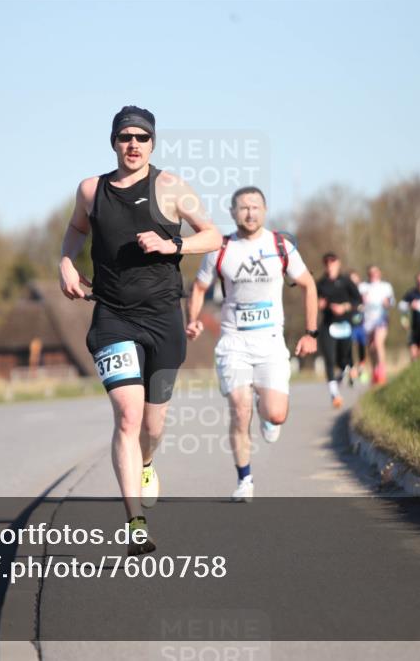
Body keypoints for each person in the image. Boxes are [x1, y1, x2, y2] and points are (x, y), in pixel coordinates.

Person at [59, 106, 221, 554]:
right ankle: (135, 523)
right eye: (125, 136)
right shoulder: (92, 190)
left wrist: (174, 244)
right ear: (113, 141)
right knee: (128, 417)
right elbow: (75, 231)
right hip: (113, 315)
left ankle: (147, 462)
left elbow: (213, 236)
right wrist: (66, 263)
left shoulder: (169, 187)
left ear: (153, 143)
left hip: (163, 315)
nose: (133, 144)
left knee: (153, 422)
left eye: (142, 138)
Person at [186, 186, 318, 502]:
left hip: (271, 342)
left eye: (255, 206)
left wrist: (311, 333)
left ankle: (266, 410)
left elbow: (308, 284)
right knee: (239, 407)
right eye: (243, 207)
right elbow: (199, 287)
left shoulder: (280, 246)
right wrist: (192, 319)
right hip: (233, 341)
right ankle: (244, 479)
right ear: (233, 213)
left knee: (276, 415)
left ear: (265, 210)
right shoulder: (219, 248)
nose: (250, 212)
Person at [316, 253, 363, 407]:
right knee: (329, 359)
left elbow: (358, 301)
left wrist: (344, 307)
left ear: (338, 263)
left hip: (345, 325)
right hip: (328, 325)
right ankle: (334, 394)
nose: (330, 265)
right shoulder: (321, 283)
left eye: (332, 262)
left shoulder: (346, 281)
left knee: (343, 358)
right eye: (327, 263)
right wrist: (319, 305)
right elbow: (314, 302)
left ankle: (346, 369)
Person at [359, 266, 395, 385]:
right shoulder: (363, 286)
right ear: (368, 274)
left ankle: (382, 371)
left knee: (378, 342)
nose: (373, 274)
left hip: (381, 318)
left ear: (380, 273)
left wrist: (387, 302)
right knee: (371, 347)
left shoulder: (386, 286)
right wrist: (361, 300)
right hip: (368, 319)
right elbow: (357, 302)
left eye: (375, 272)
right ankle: (374, 370)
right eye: (371, 272)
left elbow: (392, 301)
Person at [348, 269, 369, 385]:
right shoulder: (346, 294)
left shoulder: (362, 293)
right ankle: (351, 371)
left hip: (361, 325)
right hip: (350, 325)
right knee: (350, 348)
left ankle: (361, 367)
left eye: (355, 280)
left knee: (362, 347)